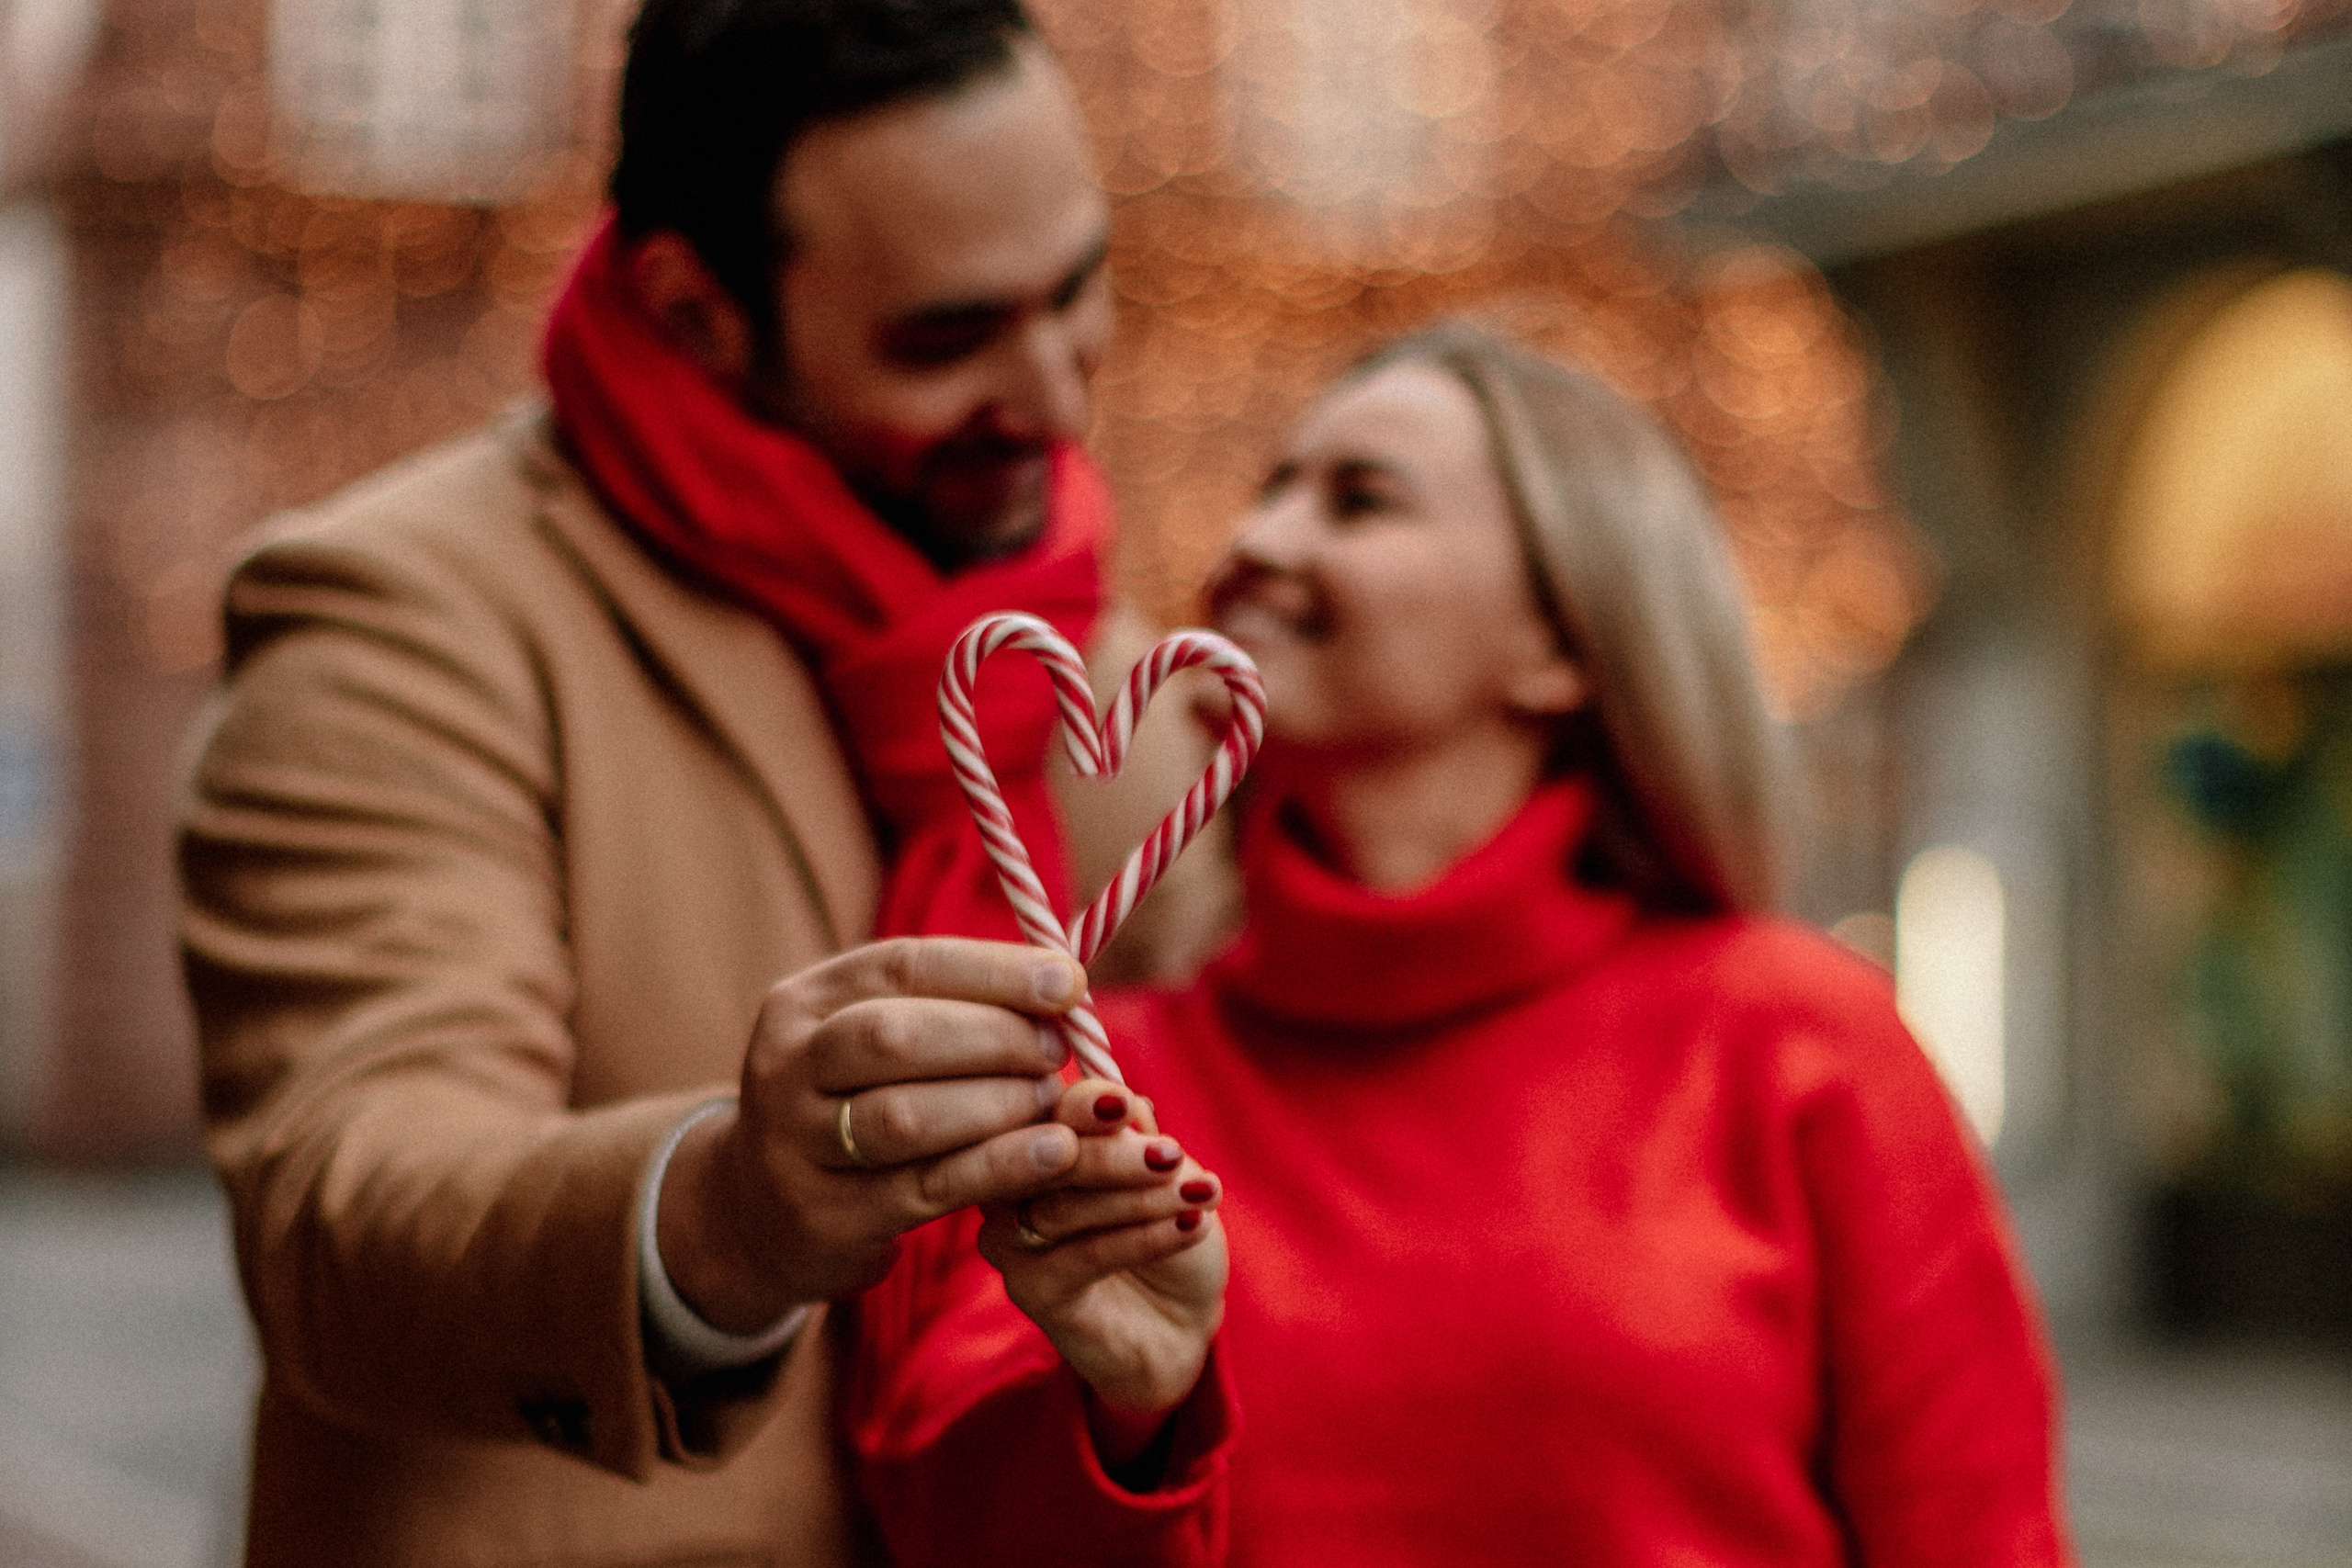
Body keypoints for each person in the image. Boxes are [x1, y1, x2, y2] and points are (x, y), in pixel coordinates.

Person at [176, 1, 1221, 1562]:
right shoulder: (400, 612)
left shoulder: (1106, 674)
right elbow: (343, 1223)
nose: (1060, 400)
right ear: (697, 309)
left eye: (1078, 289)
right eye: (946, 338)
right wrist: (725, 1213)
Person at [832, 323, 2073, 1566]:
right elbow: (937, 1524)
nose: (1254, 542)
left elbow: (1977, 1531)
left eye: (1359, 500)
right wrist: (1127, 1419)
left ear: (1561, 644)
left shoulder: (1797, 1038)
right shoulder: (1108, 1085)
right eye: (1271, 489)